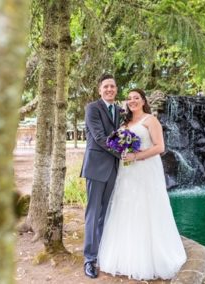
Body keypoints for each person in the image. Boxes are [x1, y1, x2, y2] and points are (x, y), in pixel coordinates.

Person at [98, 88, 186, 280]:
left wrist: (136, 156)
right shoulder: (125, 123)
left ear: (144, 101)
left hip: (146, 171)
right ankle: (125, 256)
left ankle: (150, 258)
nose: (132, 101)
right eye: (129, 98)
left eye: (136, 98)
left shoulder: (150, 120)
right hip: (127, 172)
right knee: (126, 207)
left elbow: (160, 147)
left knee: (147, 208)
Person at [80, 74, 121, 279]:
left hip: (113, 169)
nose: (109, 89)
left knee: (106, 214)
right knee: (93, 213)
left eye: (112, 86)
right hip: (96, 167)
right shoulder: (92, 108)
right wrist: (124, 153)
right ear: (99, 90)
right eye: (105, 86)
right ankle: (89, 259)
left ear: (116, 89)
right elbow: (98, 138)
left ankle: (102, 254)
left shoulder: (120, 111)